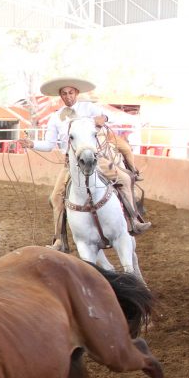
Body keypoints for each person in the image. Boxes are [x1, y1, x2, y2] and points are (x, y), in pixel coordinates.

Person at [19, 76, 150, 251]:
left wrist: (101, 118)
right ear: (60, 96)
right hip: (72, 164)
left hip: (96, 159)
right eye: (64, 94)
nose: (68, 96)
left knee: (125, 180)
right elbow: (50, 144)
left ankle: (133, 220)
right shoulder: (56, 118)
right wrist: (32, 144)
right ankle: (59, 240)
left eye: (71, 92)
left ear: (76, 93)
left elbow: (109, 116)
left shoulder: (88, 107)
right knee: (56, 198)